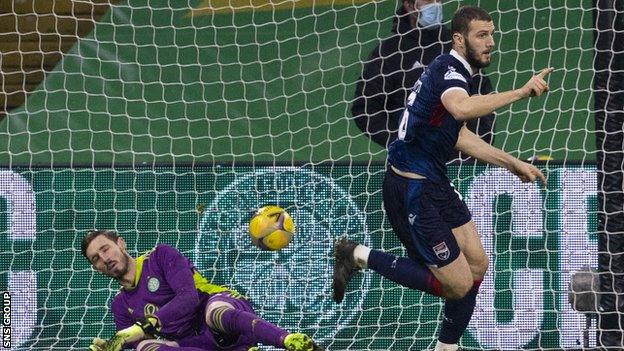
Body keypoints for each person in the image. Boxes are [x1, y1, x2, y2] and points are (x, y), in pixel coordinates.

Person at [334, 6, 552, 351]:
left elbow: (459, 133)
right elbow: (462, 109)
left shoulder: (454, 71)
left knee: (478, 262)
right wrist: (521, 92)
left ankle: (446, 346)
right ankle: (356, 254)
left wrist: (511, 163)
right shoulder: (450, 71)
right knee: (457, 285)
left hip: (433, 178)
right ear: (459, 39)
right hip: (409, 188)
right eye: (482, 35)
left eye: (492, 34)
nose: (490, 42)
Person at [82, 230, 323, 351]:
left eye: (106, 248)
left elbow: (188, 298)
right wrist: (116, 345)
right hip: (195, 344)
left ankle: (290, 340)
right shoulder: (120, 306)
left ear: (121, 243)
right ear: (95, 268)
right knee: (145, 348)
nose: (105, 258)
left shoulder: (160, 256)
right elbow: (140, 343)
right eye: (96, 258)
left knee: (214, 311)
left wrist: (145, 325)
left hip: (223, 318)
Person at [352, 0, 495, 149]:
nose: (435, 4)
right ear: (408, 5)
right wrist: (404, 142)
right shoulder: (389, 53)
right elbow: (365, 109)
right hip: (412, 164)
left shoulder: (457, 44)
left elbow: (483, 98)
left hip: (462, 160)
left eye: (438, 0)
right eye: (429, 0)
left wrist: (473, 150)